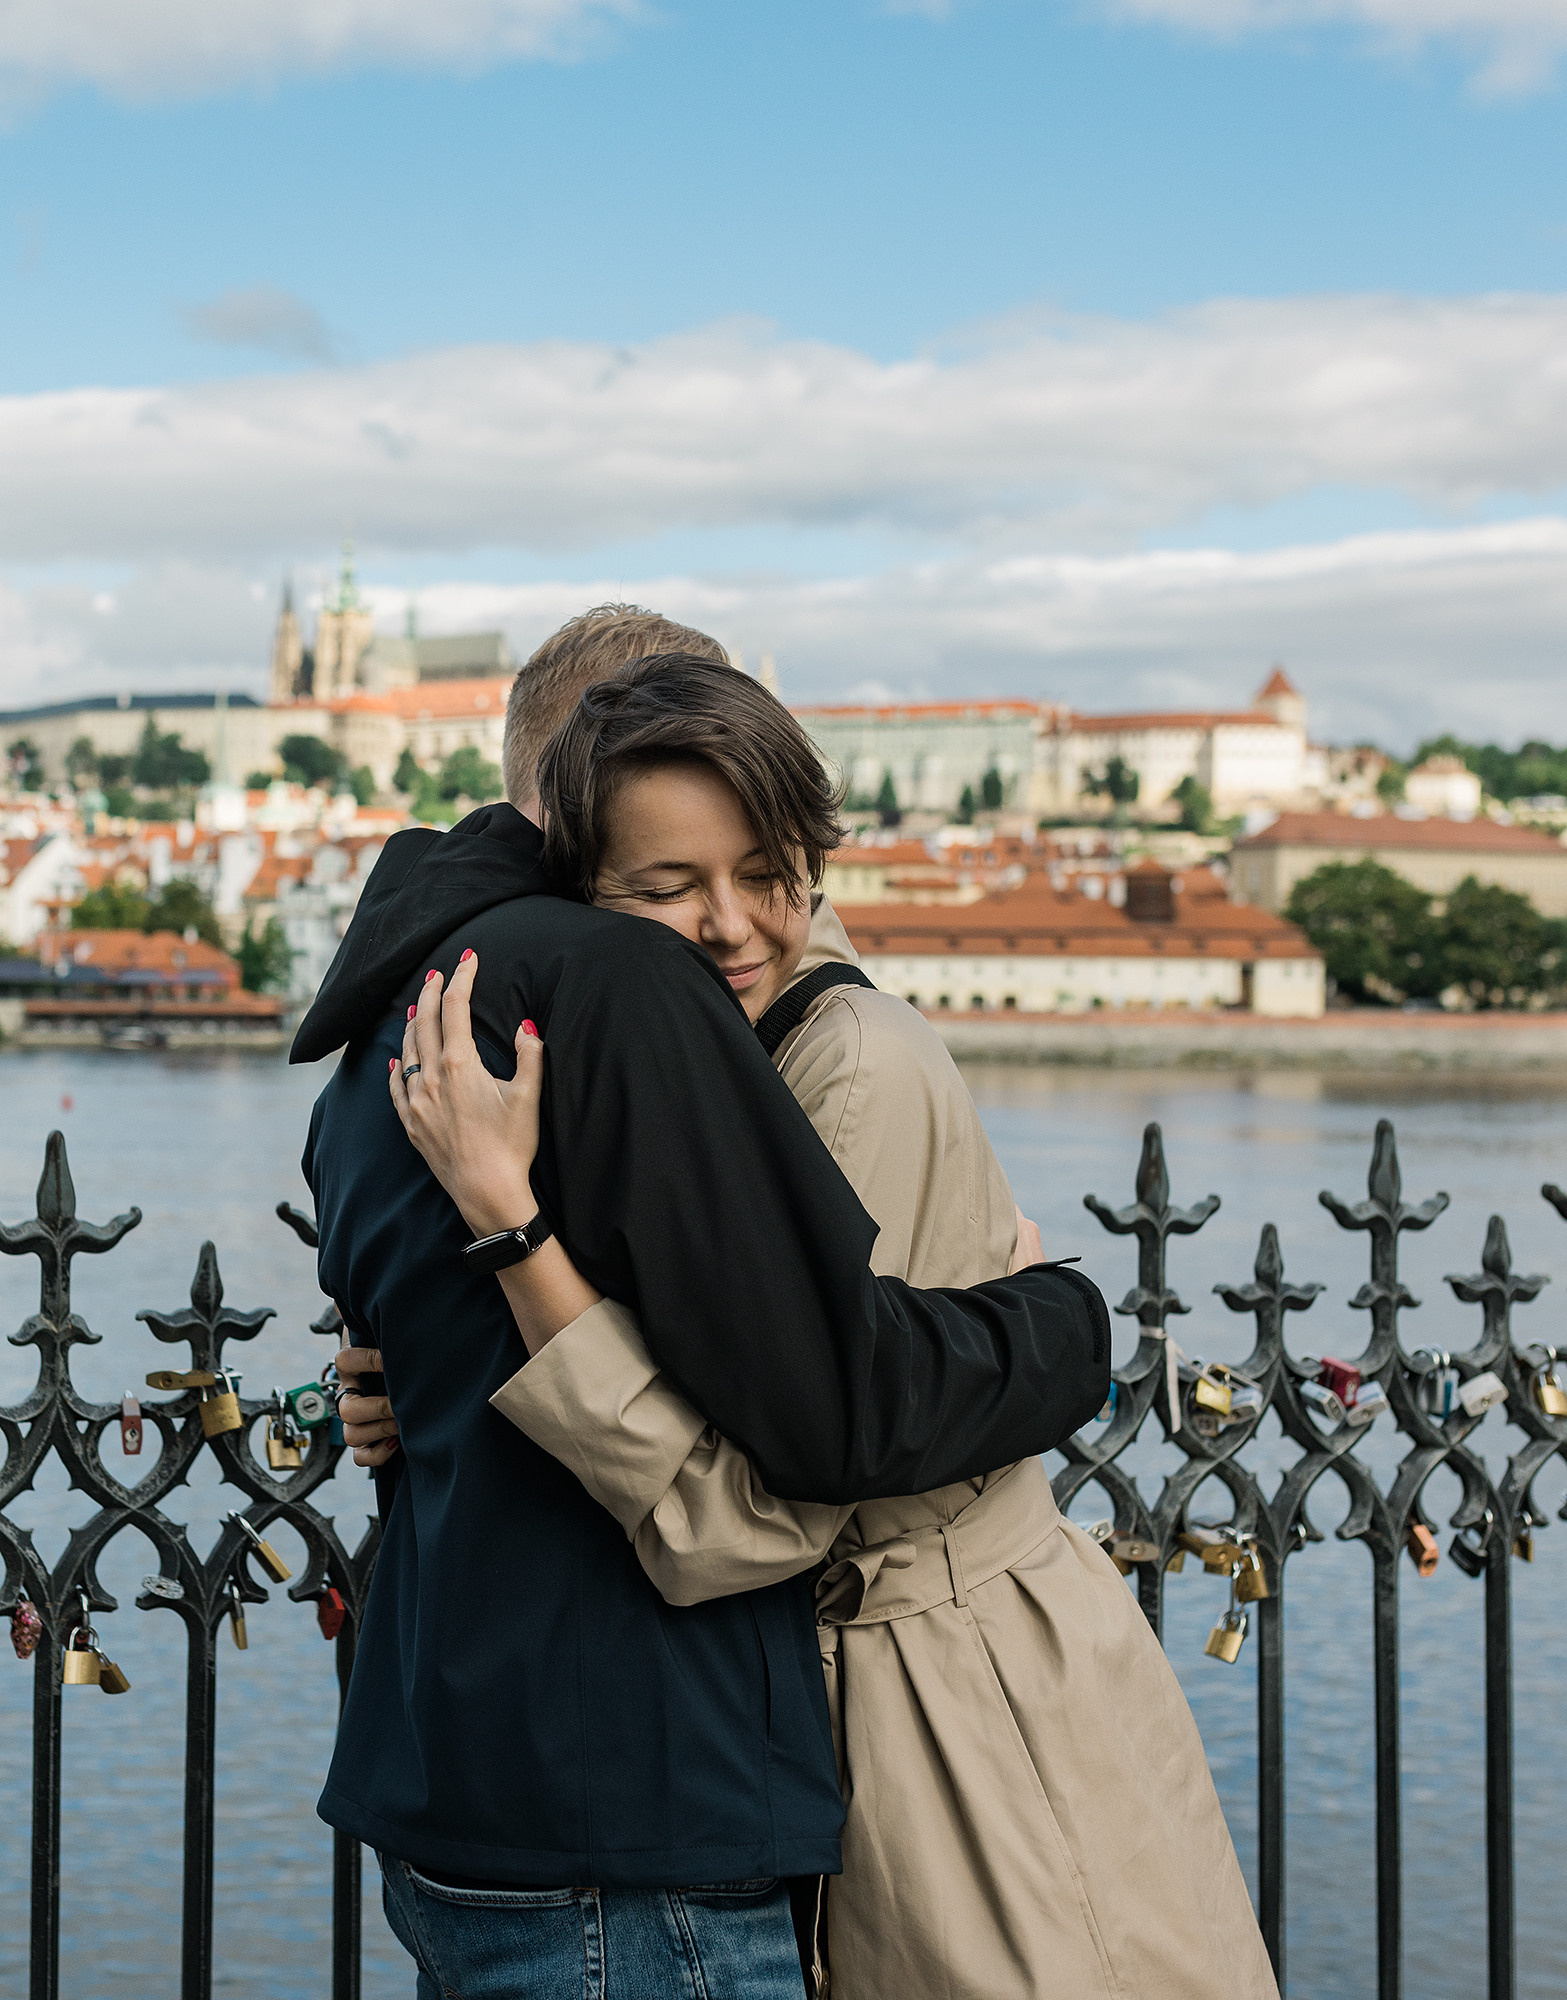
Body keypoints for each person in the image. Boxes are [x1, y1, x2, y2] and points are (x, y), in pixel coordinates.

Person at [356, 654, 1278, 2000]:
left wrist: (517, 1240)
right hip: (808, 1701)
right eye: (668, 887)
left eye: (768, 872)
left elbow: (753, 1515)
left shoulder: (843, 1064)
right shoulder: (643, 1055)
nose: (732, 925)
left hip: (958, 1703)